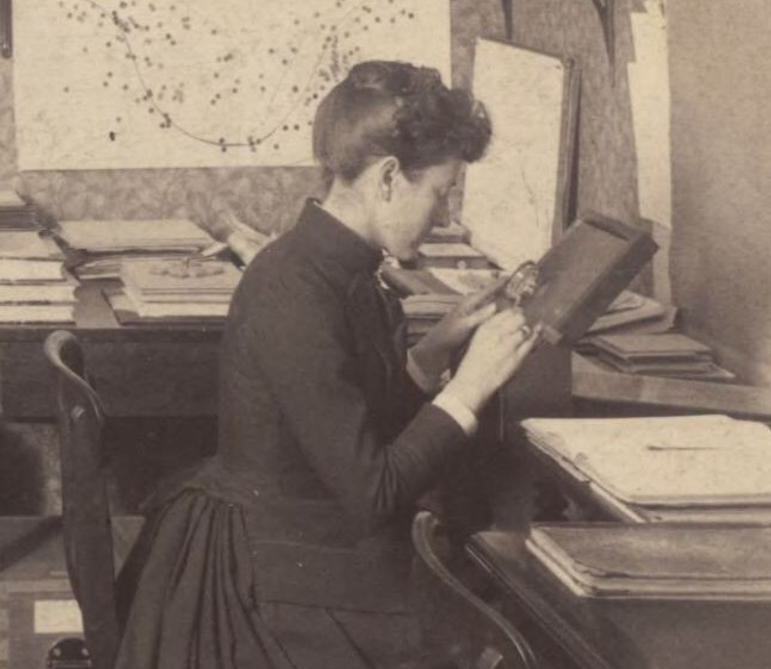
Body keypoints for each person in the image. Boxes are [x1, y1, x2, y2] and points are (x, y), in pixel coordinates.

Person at [114, 60, 539, 669]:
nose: (444, 216)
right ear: (389, 178)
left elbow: (348, 414)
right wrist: (468, 388)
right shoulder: (295, 290)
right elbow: (373, 491)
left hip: (305, 544)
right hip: (270, 585)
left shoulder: (335, 267)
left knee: (493, 603)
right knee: (509, 631)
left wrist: (431, 354)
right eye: (440, 194)